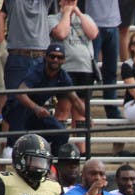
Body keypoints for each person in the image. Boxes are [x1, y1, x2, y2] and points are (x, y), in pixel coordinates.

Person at [5, 42, 87, 154]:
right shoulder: (37, 71)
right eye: (52, 56)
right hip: (17, 111)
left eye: (59, 57)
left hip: (36, 115)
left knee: (62, 133)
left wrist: (88, 116)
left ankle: (51, 162)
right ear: (46, 57)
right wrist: (36, 108)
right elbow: (20, 93)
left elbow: (76, 100)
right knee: (16, 139)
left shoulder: (63, 76)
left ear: (64, 60)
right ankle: (10, 150)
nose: (55, 60)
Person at [49, 0, 100, 141]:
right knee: (63, 109)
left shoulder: (85, 17)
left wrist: (77, 12)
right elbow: (61, 33)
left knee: (80, 113)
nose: (70, 2)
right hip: (65, 69)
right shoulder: (52, 19)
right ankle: (58, 145)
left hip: (85, 70)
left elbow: (93, 33)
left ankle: (82, 151)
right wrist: (66, 13)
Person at [85, 0, 123, 120]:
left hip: (113, 23)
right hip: (92, 23)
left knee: (111, 72)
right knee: (90, 72)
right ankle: (83, 111)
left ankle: (112, 112)